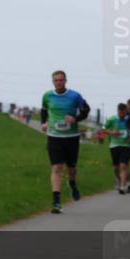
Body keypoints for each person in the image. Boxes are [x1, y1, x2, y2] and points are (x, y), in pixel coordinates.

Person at [40, 70, 90, 214]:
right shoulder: (47, 95)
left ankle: (72, 182)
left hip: (72, 137)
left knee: (71, 169)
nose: (58, 82)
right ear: (52, 81)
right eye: (56, 80)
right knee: (56, 168)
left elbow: (86, 110)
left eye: (61, 80)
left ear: (65, 80)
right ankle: (56, 202)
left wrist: (76, 119)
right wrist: (44, 123)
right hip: (54, 137)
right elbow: (44, 110)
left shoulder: (75, 96)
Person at [105, 103, 130, 194]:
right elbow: (104, 128)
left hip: (126, 146)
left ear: (126, 111)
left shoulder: (129, 119)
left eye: (123, 112)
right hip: (114, 145)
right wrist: (112, 132)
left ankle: (123, 186)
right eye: (120, 112)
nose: (122, 114)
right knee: (116, 167)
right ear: (118, 111)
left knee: (124, 166)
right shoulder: (112, 119)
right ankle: (119, 180)